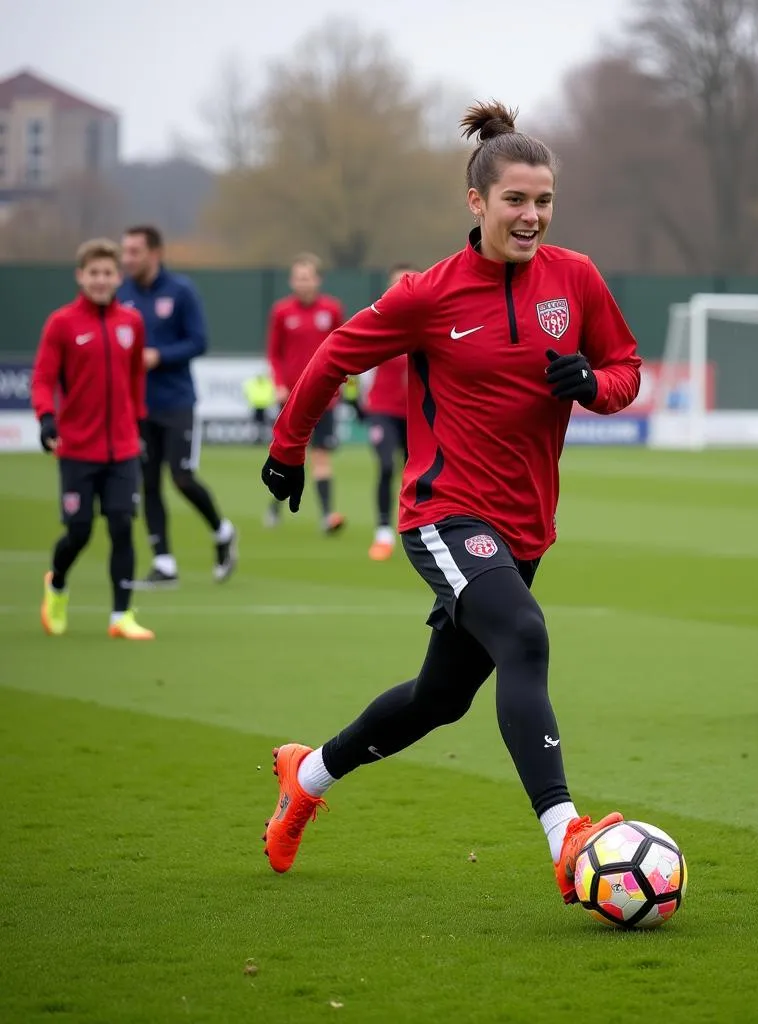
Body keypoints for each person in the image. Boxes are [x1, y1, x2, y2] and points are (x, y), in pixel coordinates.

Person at [259, 101, 643, 904]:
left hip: (526, 528)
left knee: (439, 700)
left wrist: (595, 385)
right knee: (526, 637)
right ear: (477, 202)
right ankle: (565, 833)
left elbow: (626, 368)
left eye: (543, 201)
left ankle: (309, 775)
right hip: (444, 512)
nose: (531, 215)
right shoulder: (426, 295)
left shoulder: (576, 278)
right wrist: (288, 449)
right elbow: (332, 357)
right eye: (515, 200)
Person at [31, 238, 154, 640]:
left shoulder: (131, 323)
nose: (101, 280)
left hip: (122, 448)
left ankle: (121, 616)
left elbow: (135, 378)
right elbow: (43, 378)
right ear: (80, 276)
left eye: (108, 273)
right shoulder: (61, 323)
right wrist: (47, 419)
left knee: (122, 525)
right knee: (79, 531)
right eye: (93, 273)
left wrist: (138, 426)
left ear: (118, 277)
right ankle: (57, 586)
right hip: (78, 449)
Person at [118, 225, 238, 588]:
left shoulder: (181, 290)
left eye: (134, 251)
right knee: (148, 483)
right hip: (137, 406)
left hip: (177, 402)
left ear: (155, 253)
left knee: (182, 478)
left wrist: (160, 356)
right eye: (124, 251)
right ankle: (164, 563)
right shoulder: (120, 293)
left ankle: (222, 530)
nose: (127, 259)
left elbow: (199, 341)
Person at [264, 253, 347, 532]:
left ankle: (326, 516)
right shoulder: (281, 312)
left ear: (318, 279)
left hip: (324, 399)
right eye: (299, 278)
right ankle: (275, 506)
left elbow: (343, 349)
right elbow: (274, 354)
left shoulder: (332, 309)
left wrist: (339, 385)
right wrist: (278, 384)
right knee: (286, 454)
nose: (303, 283)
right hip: (290, 398)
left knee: (321, 455)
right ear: (291, 281)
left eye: (308, 277)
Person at [364, 263, 415, 560]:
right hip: (383, 409)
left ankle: (415, 529)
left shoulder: (432, 321)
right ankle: (383, 531)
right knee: (385, 465)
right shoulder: (380, 320)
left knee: (417, 473)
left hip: (418, 413)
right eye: (397, 282)